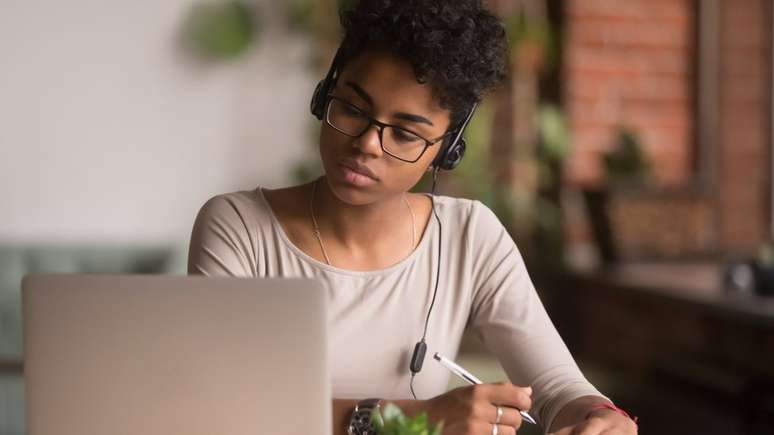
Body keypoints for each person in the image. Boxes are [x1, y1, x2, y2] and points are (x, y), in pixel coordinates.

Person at [188, 1, 638, 434]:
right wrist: (404, 420)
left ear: (446, 150)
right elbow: (220, 405)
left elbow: (558, 389)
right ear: (324, 95)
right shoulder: (238, 227)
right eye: (351, 108)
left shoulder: (469, 237)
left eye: (404, 133)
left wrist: (597, 415)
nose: (365, 144)